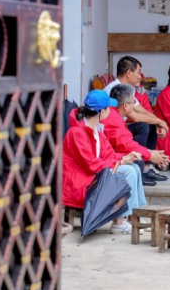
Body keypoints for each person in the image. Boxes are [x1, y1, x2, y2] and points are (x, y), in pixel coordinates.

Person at [63, 90, 147, 235]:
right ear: (101, 112)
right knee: (128, 171)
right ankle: (119, 222)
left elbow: (110, 155)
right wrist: (121, 161)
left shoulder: (96, 130)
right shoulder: (76, 133)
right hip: (78, 183)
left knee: (134, 167)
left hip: (92, 177)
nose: (110, 111)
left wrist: (127, 157)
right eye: (108, 108)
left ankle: (136, 214)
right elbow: (91, 165)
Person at [104, 84, 170, 185]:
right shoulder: (112, 119)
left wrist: (149, 152)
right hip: (107, 160)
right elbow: (125, 145)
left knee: (137, 158)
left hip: (111, 154)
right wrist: (149, 155)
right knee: (137, 162)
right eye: (133, 102)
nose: (134, 105)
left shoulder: (114, 114)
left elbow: (126, 142)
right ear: (125, 106)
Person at [104, 56, 169, 149]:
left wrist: (158, 123)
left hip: (122, 127)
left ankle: (148, 157)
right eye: (138, 72)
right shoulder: (114, 90)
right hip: (112, 131)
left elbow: (144, 111)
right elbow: (135, 117)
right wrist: (160, 122)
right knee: (143, 126)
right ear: (129, 73)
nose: (140, 76)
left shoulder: (126, 89)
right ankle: (138, 155)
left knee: (150, 123)